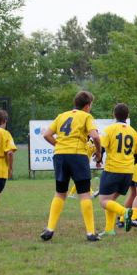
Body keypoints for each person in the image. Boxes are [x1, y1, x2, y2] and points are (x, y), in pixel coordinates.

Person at [40, 91, 102, 242]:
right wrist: (99, 153)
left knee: (60, 193)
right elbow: (95, 136)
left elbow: (47, 134)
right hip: (77, 155)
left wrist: (60, 145)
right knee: (85, 194)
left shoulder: (62, 115)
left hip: (60, 156)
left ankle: (49, 229)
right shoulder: (86, 116)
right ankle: (90, 233)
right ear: (87, 106)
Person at [97, 104, 137, 237]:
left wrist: (99, 159)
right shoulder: (133, 131)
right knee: (111, 200)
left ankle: (125, 213)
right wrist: (129, 163)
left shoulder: (110, 129)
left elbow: (102, 146)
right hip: (128, 172)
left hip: (113, 170)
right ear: (127, 116)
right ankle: (109, 229)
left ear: (114, 115)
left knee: (104, 201)